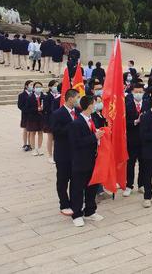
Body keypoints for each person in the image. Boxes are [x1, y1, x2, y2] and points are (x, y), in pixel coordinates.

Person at [68, 95, 104, 227]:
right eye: (95, 103)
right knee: (77, 188)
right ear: (89, 105)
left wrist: (99, 136)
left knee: (92, 186)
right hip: (80, 161)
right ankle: (76, 214)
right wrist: (94, 137)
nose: (96, 106)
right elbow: (76, 143)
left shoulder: (93, 119)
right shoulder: (76, 123)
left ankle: (90, 211)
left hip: (93, 160)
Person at [123, 83, 145, 196]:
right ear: (132, 92)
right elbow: (124, 123)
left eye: (140, 92)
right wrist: (135, 121)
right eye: (136, 92)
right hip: (132, 139)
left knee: (144, 163)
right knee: (130, 163)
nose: (138, 94)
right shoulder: (127, 105)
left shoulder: (147, 104)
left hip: (144, 140)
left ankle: (141, 184)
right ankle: (129, 185)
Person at [25, 81, 45, 156]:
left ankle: (39, 148)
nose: (38, 88)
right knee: (32, 133)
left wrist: (43, 108)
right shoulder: (30, 97)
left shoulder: (44, 97)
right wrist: (37, 109)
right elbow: (27, 109)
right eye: (36, 87)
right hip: (32, 118)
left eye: (40, 87)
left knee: (40, 133)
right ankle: (33, 149)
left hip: (41, 118)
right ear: (33, 88)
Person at [43, 80, 60, 162]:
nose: (56, 87)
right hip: (50, 119)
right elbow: (46, 109)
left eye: (57, 85)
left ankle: (56, 154)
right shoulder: (47, 97)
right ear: (50, 87)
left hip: (58, 120)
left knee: (56, 138)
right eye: (54, 85)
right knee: (50, 138)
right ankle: (50, 155)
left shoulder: (60, 96)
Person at [18, 80, 33, 151]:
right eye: (30, 85)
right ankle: (25, 143)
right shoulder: (21, 95)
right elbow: (20, 105)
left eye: (32, 85)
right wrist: (26, 110)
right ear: (26, 86)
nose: (32, 86)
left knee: (30, 130)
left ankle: (30, 144)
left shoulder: (33, 94)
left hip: (32, 115)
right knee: (25, 129)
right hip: (25, 114)